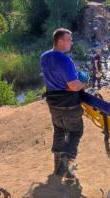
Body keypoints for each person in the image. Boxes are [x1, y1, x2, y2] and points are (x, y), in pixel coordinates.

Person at [40, 28, 85, 179]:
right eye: (69, 39)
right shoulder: (65, 60)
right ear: (60, 41)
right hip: (69, 105)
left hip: (53, 105)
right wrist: (84, 83)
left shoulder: (44, 57)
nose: (71, 42)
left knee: (59, 131)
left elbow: (55, 79)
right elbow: (73, 86)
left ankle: (57, 168)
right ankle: (65, 166)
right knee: (75, 131)